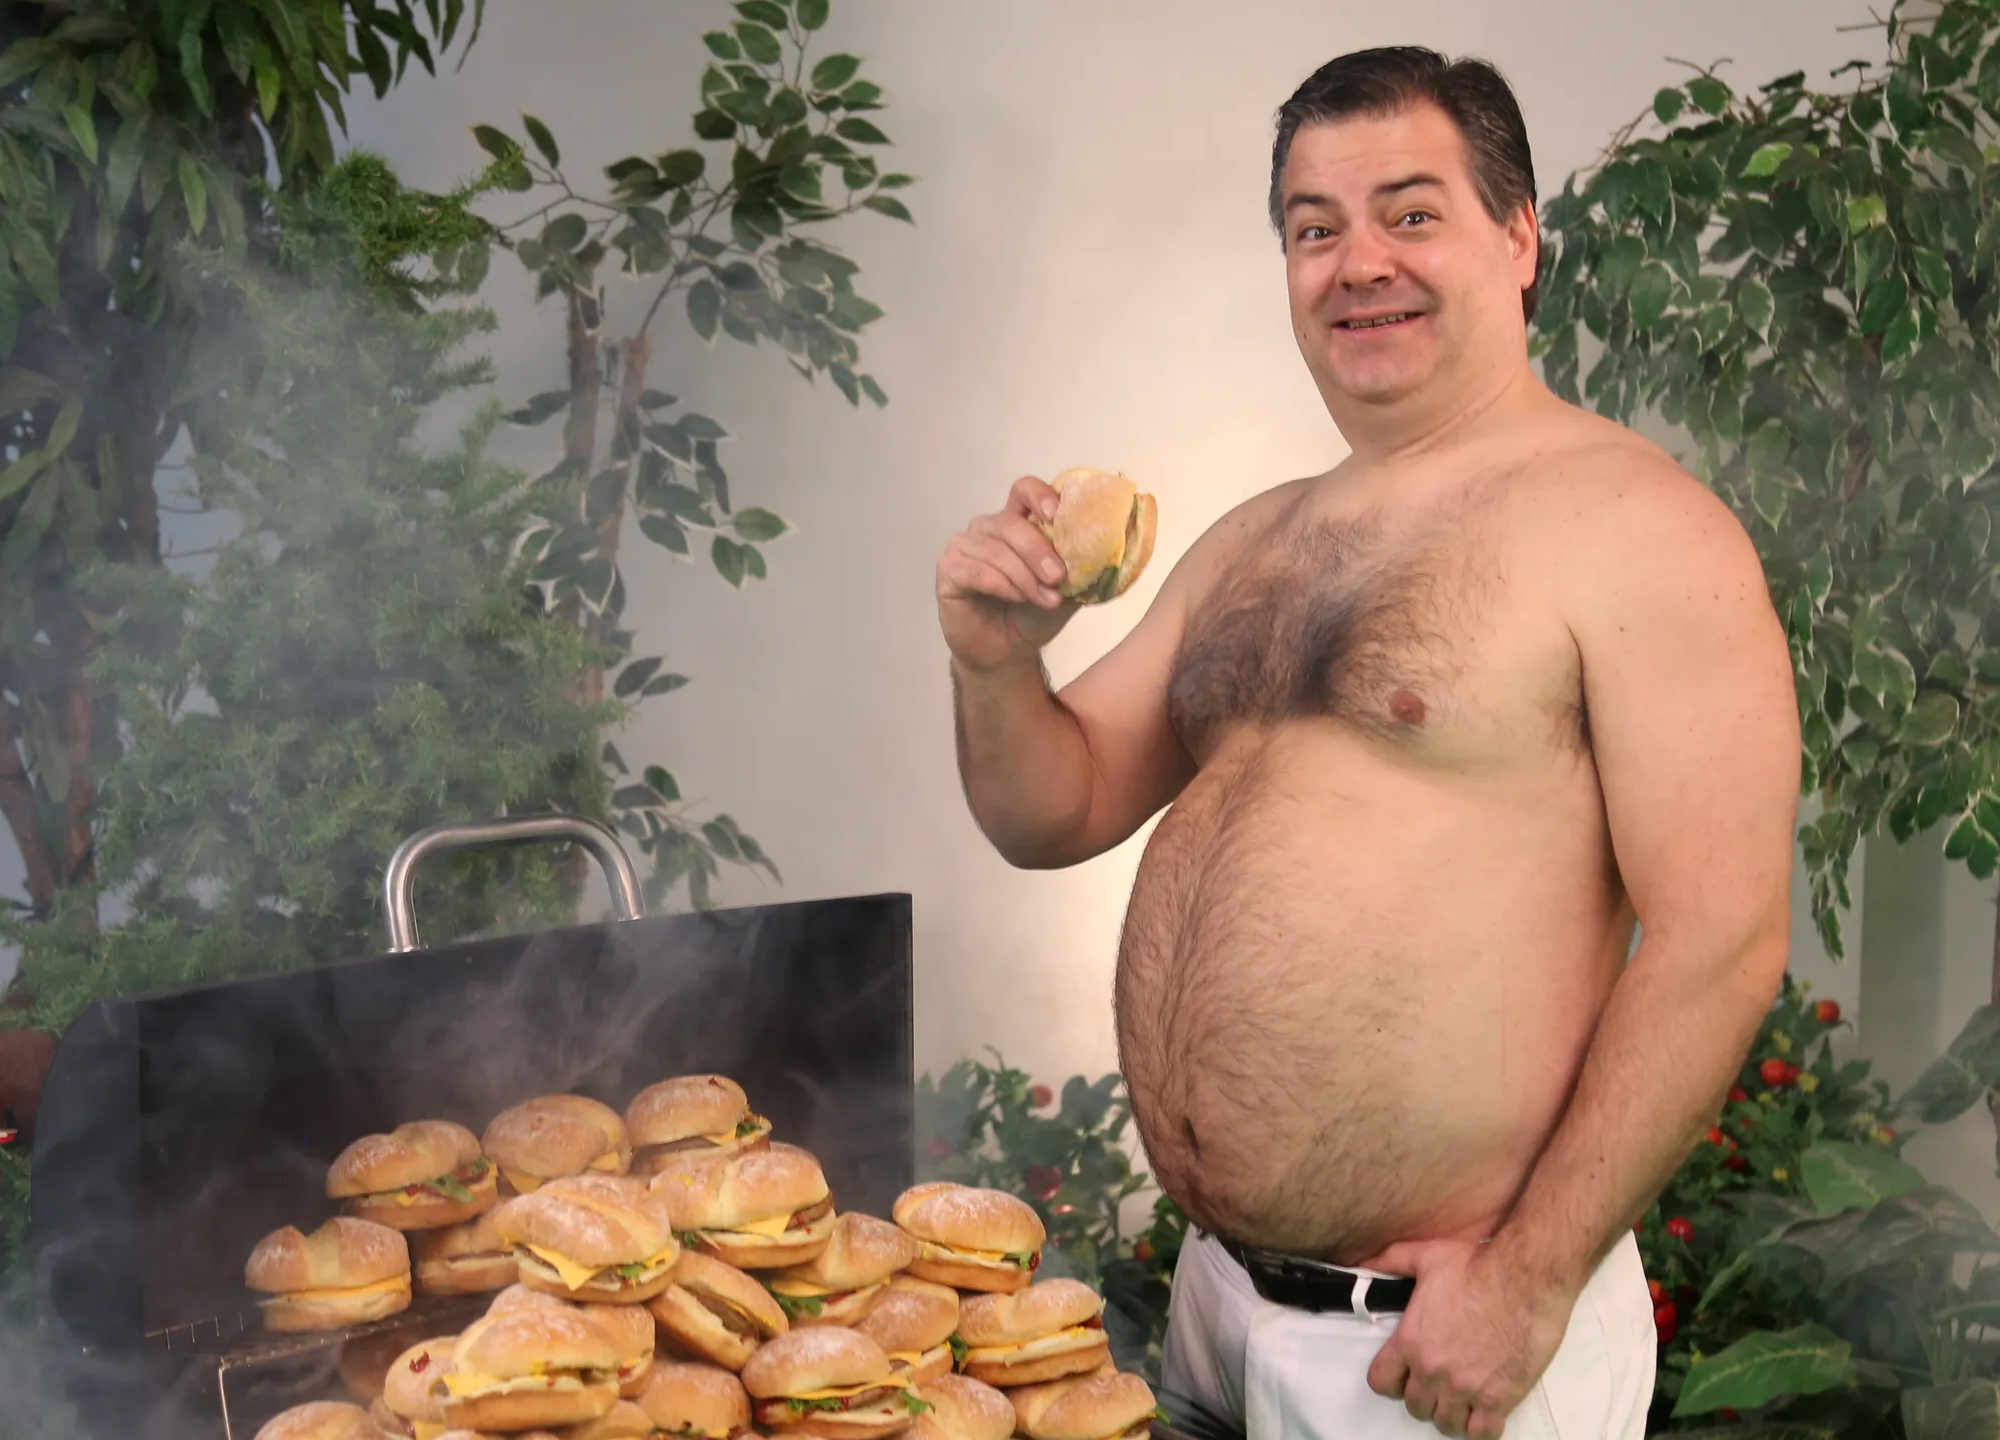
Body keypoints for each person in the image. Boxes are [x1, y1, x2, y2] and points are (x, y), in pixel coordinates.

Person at [934, 45, 1802, 1440]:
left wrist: (1529, 1279)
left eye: (1411, 213)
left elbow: (1722, 933)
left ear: (1520, 238)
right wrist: (992, 660)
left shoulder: (1640, 530)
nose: (1358, 263)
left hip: (1441, 1348)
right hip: (1220, 1311)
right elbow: (1056, 806)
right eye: (1313, 228)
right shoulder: (1251, 542)